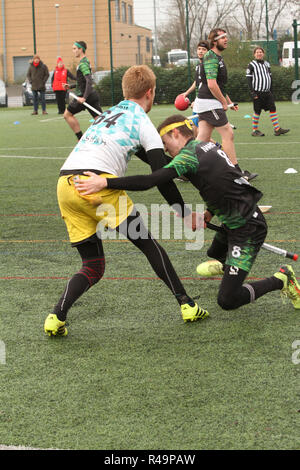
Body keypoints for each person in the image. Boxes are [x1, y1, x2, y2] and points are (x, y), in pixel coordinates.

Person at [43, 67, 209, 337]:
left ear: (124, 91)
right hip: (98, 186)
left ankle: (56, 316)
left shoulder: (110, 113)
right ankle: (187, 304)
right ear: (150, 92)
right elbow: (160, 178)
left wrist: (183, 170)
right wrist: (183, 211)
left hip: (65, 185)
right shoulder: (143, 122)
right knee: (149, 245)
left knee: (92, 266)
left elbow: (151, 160)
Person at [75, 114, 300, 313]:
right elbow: (226, 183)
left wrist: (105, 182)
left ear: (175, 133)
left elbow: (150, 181)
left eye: (164, 144)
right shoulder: (208, 147)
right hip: (234, 220)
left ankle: (282, 279)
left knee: (227, 300)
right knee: (215, 251)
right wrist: (210, 213)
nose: (164, 150)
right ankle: (231, 265)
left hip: (246, 228)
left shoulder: (188, 156)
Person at [196, 28, 257, 181]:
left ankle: (185, 168)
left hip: (209, 102)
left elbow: (220, 86)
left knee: (202, 139)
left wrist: (228, 102)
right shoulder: (211, 56)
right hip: (210, 103)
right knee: (228, 134)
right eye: (223, 37)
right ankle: (235, 173)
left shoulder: (218, 57)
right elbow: (211, 84)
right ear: (214, 41)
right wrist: (223, 102)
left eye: (226, 37)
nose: (226, 39)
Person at [246, 47, 290, 137]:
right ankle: (255, 130)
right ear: (254, 54)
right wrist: (252, 92)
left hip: (267, 92)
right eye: (257, 52)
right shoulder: (251, 65)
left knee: (273, 109)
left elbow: (270, 77)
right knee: (257, 111)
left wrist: (271, 91)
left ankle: (277, 129)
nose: (259, 53)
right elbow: (248, 79)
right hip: (257, 92)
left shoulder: (267, 64)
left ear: (263, 54)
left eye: (261, 52)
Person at [63, 41, 103, 141]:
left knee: (67, 115)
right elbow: (83, 82)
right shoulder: (85, 62)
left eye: (75, 49)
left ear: (81, 49)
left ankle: (80, 139)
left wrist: (84, 98)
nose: (73, 51)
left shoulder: (83, 64)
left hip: (84, 96)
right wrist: (71, 86)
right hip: (91, 95)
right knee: (101, 121)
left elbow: (89, 81)